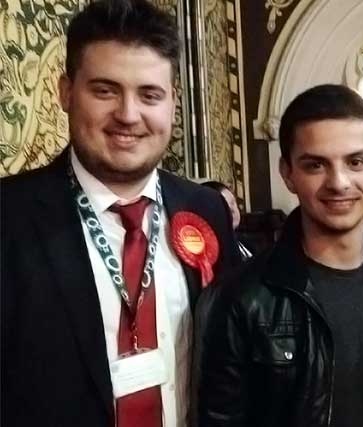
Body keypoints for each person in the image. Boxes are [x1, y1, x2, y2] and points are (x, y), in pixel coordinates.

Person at [0, 1, 241, 426]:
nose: (129, 115)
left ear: (172, 104)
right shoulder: (10, 218)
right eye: (105, 90)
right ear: (65, 92)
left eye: (150, 95)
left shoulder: (205, 210)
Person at [197, 84, 363, 427]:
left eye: (356, 161)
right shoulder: (240, 298)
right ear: (287, 173)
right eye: (316, 165)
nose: (339, 182)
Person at [202, 181, 253, 260]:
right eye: (225, 204)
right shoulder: (210, 252)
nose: (232, 209)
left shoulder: (245, 242)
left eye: (233, 202)